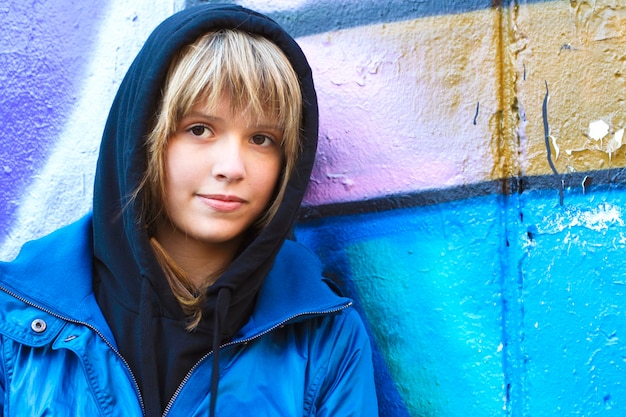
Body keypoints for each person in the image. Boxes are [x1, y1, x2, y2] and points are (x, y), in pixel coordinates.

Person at [0, 3, 377, 416]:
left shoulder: (325, 338)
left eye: (262, 139)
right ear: (144, 137)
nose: (232, 168)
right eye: (200, 130)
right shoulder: (14, 320)